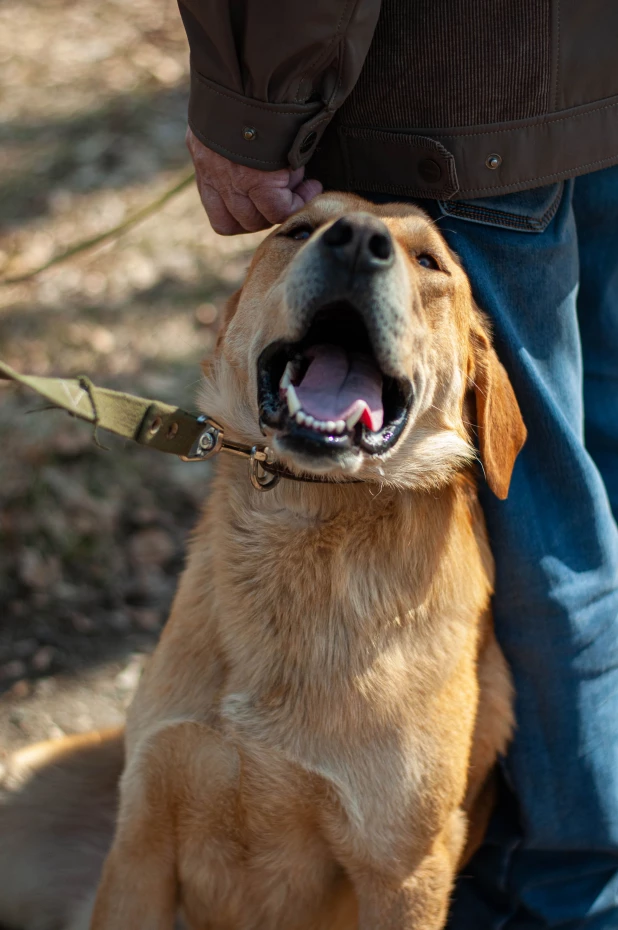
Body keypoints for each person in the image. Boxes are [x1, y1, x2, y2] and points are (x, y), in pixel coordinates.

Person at [176, 3, 618, 927]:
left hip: (449, 106)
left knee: (542, 518)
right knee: (592, 490)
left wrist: (255, 112)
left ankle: (563, 895)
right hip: (588, 88)